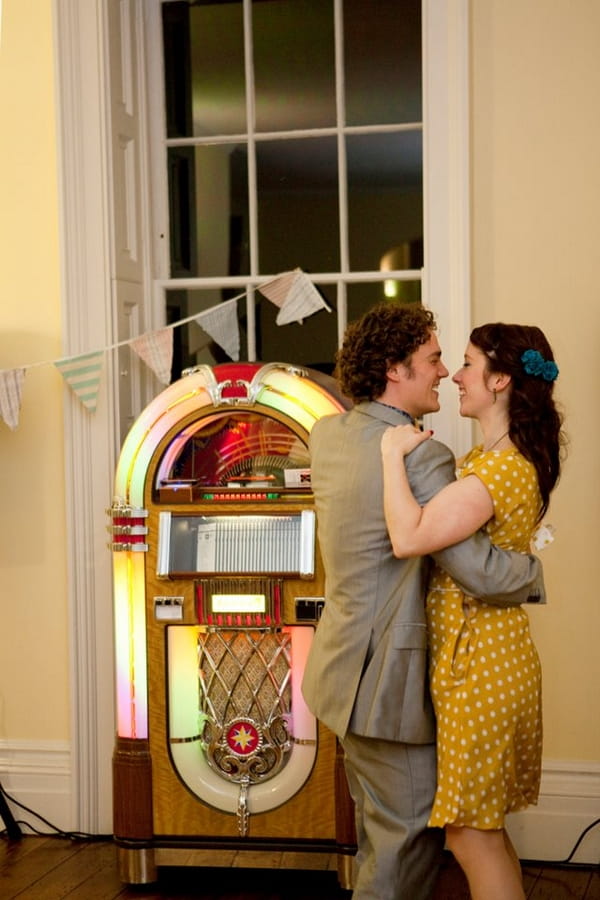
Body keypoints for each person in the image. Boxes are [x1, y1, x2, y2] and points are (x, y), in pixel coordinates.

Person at [301, 303, 546, 900]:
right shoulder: (423, 455)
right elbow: (480, 572)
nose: (443, 372)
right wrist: (534, 569)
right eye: (434, 360)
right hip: (389, 680)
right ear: (394, 369)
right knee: (404, 838)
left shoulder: (327, 434)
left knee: (376, 830)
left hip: (337, 671)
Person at [380, 322, 564, 900]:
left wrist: (390, 454)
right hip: (485, 658)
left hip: (481, 665)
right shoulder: (488, 457)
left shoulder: (499, 469)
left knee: (469, 835)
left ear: (501, 378)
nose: (455, 377)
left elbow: (409, 538)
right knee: (481, 830)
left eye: (465, 364)